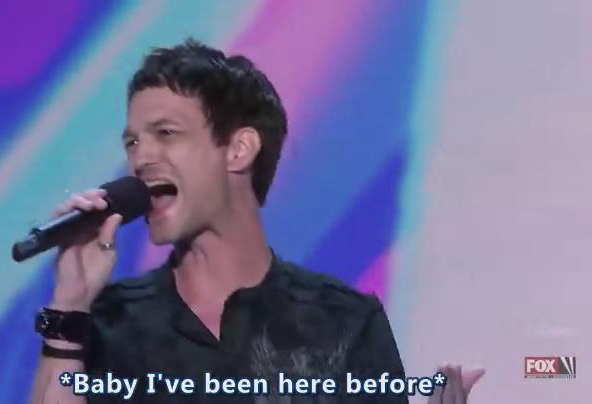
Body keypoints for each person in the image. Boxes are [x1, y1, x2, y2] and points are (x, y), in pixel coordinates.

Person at [30, 39, 483, 403]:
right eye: (132, 142)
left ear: (239, 149)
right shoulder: (106, 323)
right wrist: (70, 303)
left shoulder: (344, 323)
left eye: (166, 133)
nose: (140, 158)